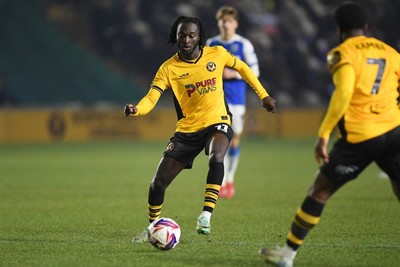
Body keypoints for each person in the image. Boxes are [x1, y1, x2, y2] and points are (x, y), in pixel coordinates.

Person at [259, 2, 400, 267]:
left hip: (361, 137)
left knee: (319, 192)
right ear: (366, 27)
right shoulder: (391, 52)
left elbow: (344, 93)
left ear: (339, 29)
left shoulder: (340, 53)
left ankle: (287, 256)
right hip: (394, 131)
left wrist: (323, 133)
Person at [125, 16, 276, 241]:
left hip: (218, 121)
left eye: (191, 35)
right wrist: (137, 109)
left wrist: (263, 95)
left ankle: (205, 215)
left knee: (217, 156)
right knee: (158, 183)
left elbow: (243, 68)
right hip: (187, 130)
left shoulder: (217, 54)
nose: (186, 39)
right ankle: (153, 228)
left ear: (199, 37)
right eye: (182, 35)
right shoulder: (168, 68)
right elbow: (152, 97)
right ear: (175, 37)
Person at [206, 6, 260, 199]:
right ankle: (220, 182)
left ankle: (229, 180)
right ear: (218, 23)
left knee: (234, 139)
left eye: (228, 21)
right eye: (222, 21)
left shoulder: (243, 45)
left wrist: (231, 73)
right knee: (219, 139)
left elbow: (255, 72)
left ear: (235, 23)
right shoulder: (211, 44)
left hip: (236, 101)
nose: (225, 24)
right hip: (215, 100)